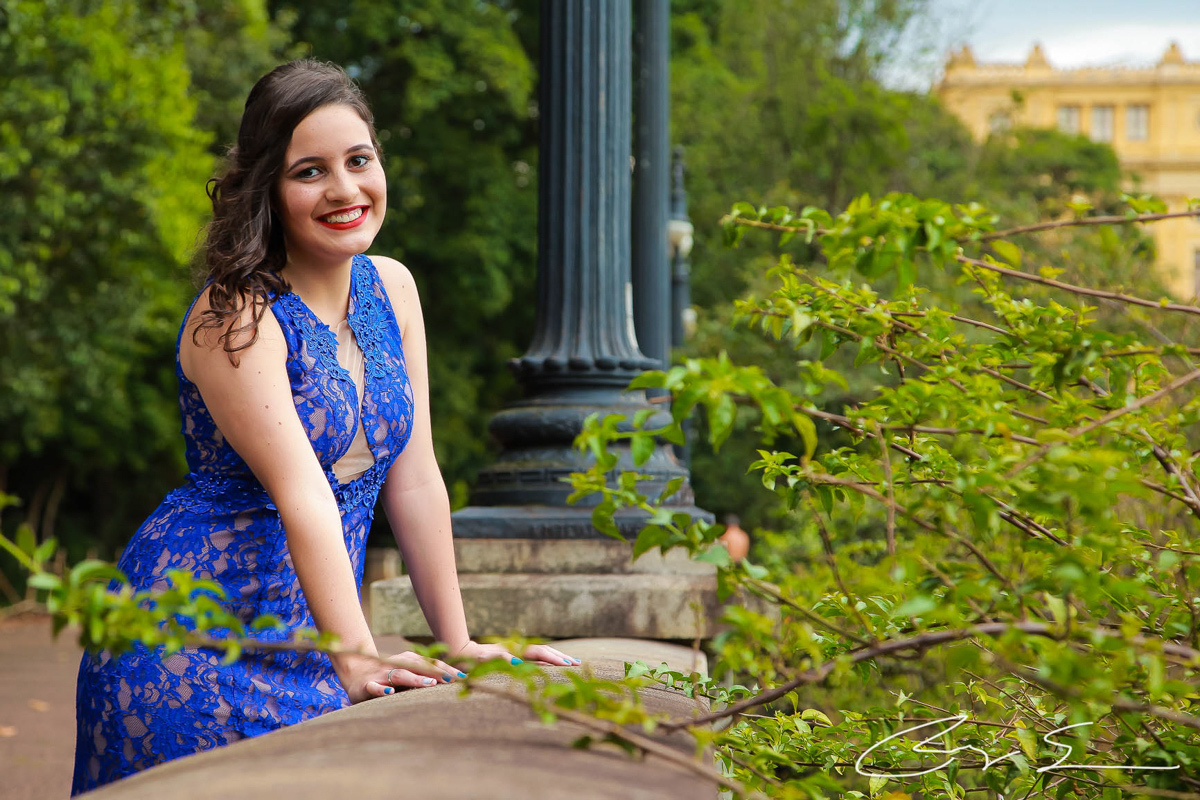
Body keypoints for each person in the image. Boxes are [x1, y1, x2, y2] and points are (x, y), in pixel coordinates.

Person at [71, 59, 579, 794]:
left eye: (359, 160)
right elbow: (303, 493)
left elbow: (417, 476)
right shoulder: (235, 316)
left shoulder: (392, 286)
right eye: (310, 171)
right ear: (267, 190)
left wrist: (459, 641)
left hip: (320, 640)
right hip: (194, 646)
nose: (345, 190)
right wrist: (360, 655)